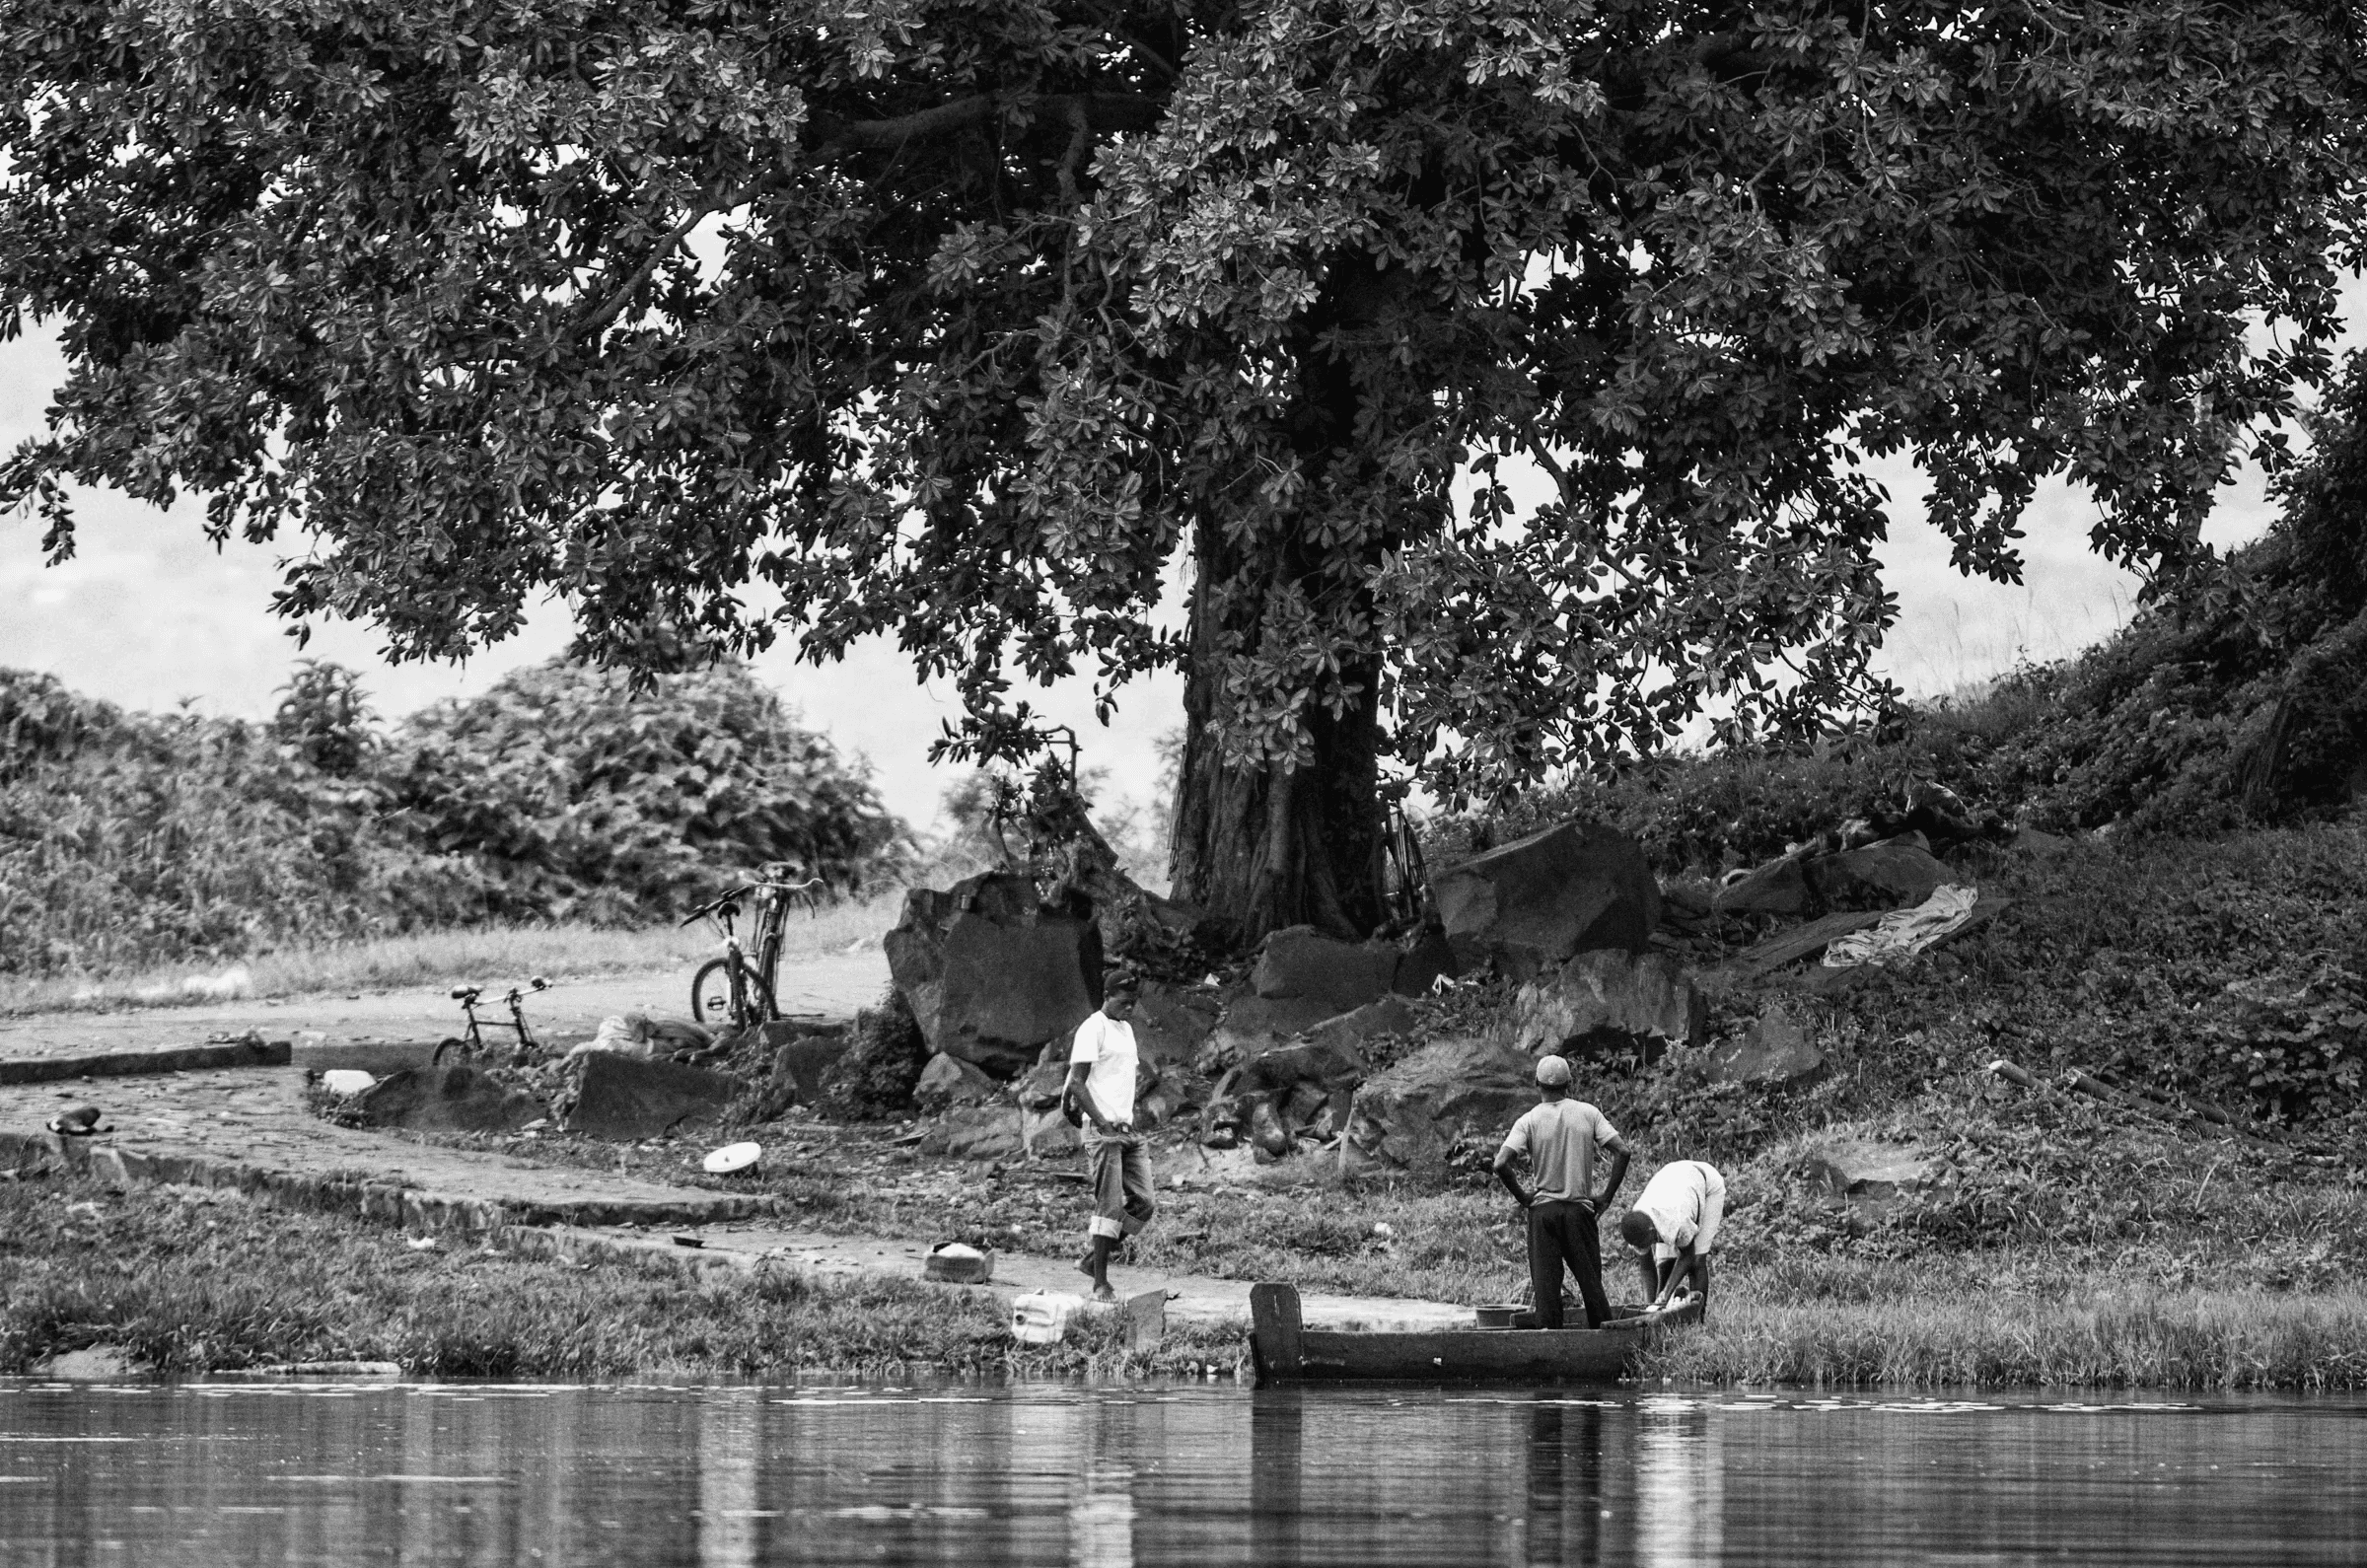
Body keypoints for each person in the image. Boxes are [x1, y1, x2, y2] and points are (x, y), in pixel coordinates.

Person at [1491, 1054, 1631, 1329]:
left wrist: (1524, 1198)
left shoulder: (1528, 1120)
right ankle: (1604, 1341)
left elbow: (1500, 1163)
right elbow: (1622, 1151)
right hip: (1580, 1212)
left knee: (1546, 1291)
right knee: (1591, 1285)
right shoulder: (1588, 1113)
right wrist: (1606, 1197)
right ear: (1569, 1082)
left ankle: (1550, 1345)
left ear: (1537, 1084)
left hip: (1543, 1214)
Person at [1063, 970, 1155, 1302]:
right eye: (1124, 1001)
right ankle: (1100, 1282)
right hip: (1104, 1131)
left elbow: (1114, 1074)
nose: (1130, 1007)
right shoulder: (1093, 1027)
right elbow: (1077, 1080)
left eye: (1133, 1002)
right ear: (1107, 994)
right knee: (1110, 1207)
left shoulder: (1126, 1028)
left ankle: (1092, 1260)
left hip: (1127, 1128)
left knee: (1145, 1203)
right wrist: (1101, 1124)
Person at [1618, 1159, 1727, 1317]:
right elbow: (1647, 1268)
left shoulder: (1677, 1218)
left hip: (1706, 1183)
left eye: (1648, 1243)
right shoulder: (1637, 1225)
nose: (1646, 1248)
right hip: (1671, 1180)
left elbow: (1687, 1256)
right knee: (1664, 1265)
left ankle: (1698, 1319)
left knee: (1697, 1262)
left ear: (1652, 1230)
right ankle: (1662, 1315)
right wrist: (1649, 1308)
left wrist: (1664, 1295)